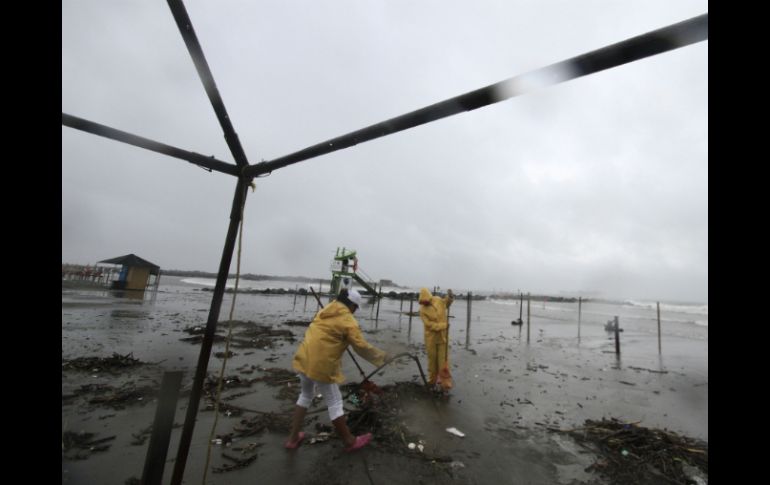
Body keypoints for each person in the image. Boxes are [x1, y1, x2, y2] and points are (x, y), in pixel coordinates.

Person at [285, 288, 387, 452]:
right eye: (355, 308)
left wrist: (341, 340)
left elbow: (325, 334)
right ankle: (349, 441)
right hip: (322, 366)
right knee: (335, 401)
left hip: (304, 358)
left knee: (305, 395)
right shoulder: (348, 320)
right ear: (352, 305)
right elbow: (361, 347)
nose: (354, 312)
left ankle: (293, 438)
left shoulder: (326, 310)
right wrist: (382, 357)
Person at [418, 287, 454, 391]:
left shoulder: (438, 300)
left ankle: (445, 384)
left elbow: (446, 303)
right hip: (431, 339)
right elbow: (429, 325)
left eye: (426, 300)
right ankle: (432, 382)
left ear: (429, 297)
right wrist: (443, 326)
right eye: (423, 301)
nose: (425, 303)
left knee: (443, 362)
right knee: (432, 362)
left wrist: (450, 297)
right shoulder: (422, 310)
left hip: (443, 337)